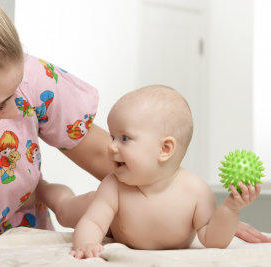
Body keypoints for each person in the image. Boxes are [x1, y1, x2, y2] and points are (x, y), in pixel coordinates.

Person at [0, 0, 268, 258]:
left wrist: (196, 211)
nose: (16, 106)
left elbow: (107, 157)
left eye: (17, 89)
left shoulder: (29, 84)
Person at [36, 85, 266, 259]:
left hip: (122, 225)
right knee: (66, 211)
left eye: (124, 138)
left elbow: (212, 240)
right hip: (105, 217)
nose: (111, 146)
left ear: (165, 149)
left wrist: (230, 209)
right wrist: (86, 243)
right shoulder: (114, 185)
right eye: (112, 136)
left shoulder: (196, 192)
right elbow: (95, 223)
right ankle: (43, 188)